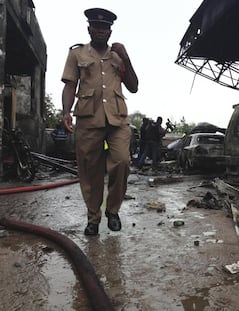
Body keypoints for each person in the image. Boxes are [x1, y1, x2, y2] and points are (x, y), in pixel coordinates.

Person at [61, 8, 138, 235]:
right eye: (96, 26)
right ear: (89, 29)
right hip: (88, 118)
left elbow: (133, 87)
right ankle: (93, 218)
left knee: (122, 161)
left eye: (104, 27)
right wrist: (66, 112)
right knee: (90, 170)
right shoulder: (77, 54)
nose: (100, 30)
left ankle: (112, 211)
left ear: (110, 30)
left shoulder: (117, 56)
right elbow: (69, 85)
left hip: (118, 118)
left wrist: (126, 57)